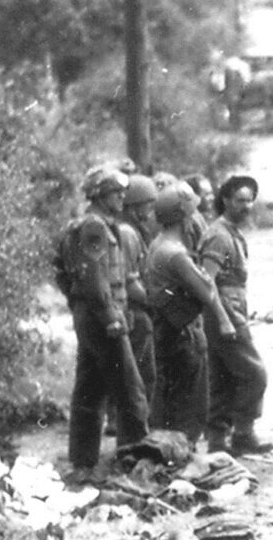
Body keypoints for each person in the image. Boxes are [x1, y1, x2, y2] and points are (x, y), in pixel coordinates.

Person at [60, 166, 147, 480]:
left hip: (91, 314)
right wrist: (111, 316)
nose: (122, 197)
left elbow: (62, 271)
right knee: (129, 388)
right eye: (115, 192)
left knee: (90, 388)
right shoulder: (95, 227)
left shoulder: (87, 225)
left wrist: (78, 304)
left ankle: (82, 463)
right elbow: (96, 276)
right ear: (99, 195)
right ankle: (137, 460)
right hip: (103, 316)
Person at [142, 181, 238, 447]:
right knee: (192, 401)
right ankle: (184, 453)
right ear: (184, 216)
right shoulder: (176, 255)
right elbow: (206, 292)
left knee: (169, 397)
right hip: (184, 334)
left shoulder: (157, 245)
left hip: (164, 329)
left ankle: (167, 452)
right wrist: (223, 318)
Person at [198, 174, 272, 456]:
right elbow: (207, 281)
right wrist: (225, 318)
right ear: (226, 201)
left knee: (223, 377)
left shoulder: (230, 231)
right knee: (254, 374)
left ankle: (218, 441)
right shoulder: (219, 235)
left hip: (230, 309)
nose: (247, 206)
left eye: (250, 200)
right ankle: (243, 433)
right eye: (240, 200)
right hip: (223, 313)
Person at [116, 173, 159, 407]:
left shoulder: (134, 230)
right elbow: (129, 280)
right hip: (134, 311)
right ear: (134, 205)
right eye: (148, 204)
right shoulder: (127, 233)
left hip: (134, 309)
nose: (151, 210)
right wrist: (155, 302)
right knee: (140, 372)